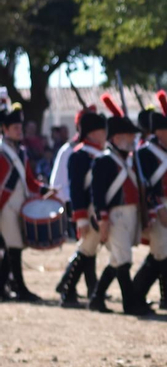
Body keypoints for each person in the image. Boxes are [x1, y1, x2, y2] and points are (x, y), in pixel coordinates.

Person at [87, 97, 148, 316]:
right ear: (116, 138)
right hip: (114, 216)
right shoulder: (103, 161)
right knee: (124, 260)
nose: (133, 139)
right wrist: (102, 219)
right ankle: (130, 304)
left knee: (116, 259)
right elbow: (98, 194)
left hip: (131, 214)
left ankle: (96, 298)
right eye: (128, 135)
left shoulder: (130, 161)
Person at [127, 94, 167, 313]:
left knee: (160, 255)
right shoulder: (145, 153)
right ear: (159, 132)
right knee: (164, 255)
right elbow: (143, 185)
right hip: (159, 208)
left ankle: (136, 295)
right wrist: (158, 208)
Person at [55, 105, 109, 308]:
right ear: (93, 133)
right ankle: (69, 290)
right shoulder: (80, 155)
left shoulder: (100, 154)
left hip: (97, 211)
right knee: (86, 250)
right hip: (88, 213)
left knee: (88, 251)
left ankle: (72, 289)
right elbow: (76, 190)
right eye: (102, 131)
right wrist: (82, 219)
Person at [0, 95, 42, 301]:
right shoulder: (2, 152)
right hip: (5, 206)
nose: (19, 130)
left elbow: (30, 181)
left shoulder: (22, 152)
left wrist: (44, 190)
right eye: (15, 127)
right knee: (14, 247)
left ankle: (4, 287)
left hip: (20, 205)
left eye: (20, 127)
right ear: (4, 129)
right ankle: (20, 289)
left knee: (13, 248)